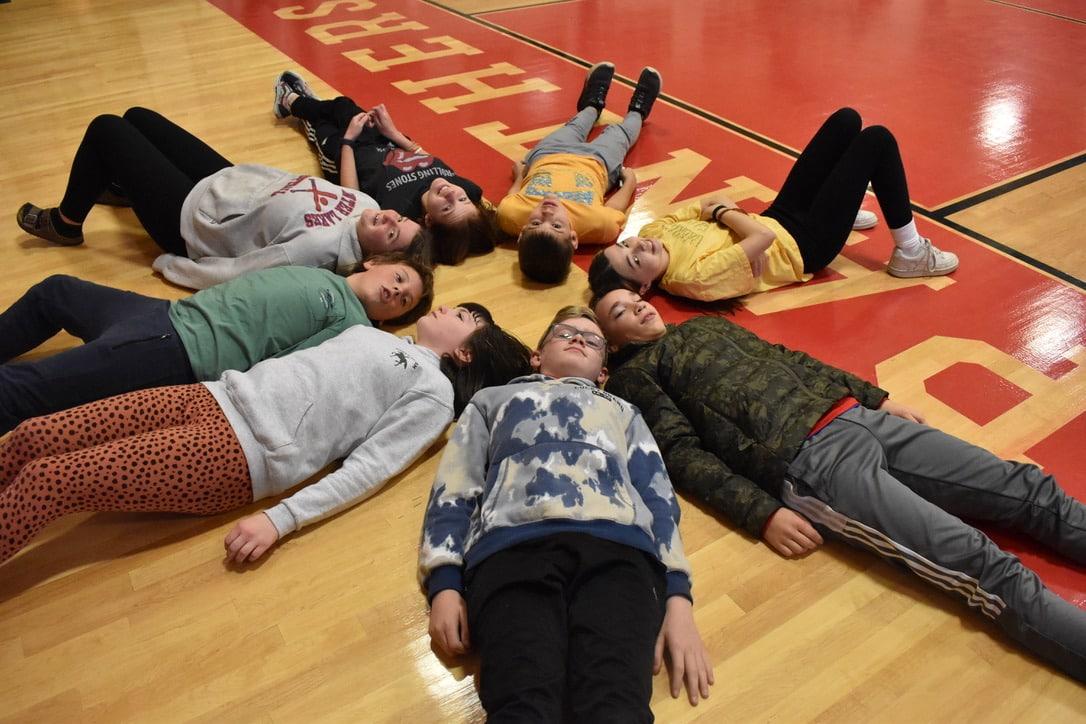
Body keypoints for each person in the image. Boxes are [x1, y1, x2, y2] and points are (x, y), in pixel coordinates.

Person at [592, 286, 1086, 682]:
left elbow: (795, 359)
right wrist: (761, 512)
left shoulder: (702, 325)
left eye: (634, 298)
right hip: (814, 464)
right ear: (613, 343)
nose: (636, 305)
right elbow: (683, 456)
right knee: (979, 564)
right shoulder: (636, 378)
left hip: (861, 419)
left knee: (1027, 488)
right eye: (619, 310)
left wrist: (873, 398)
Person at [0, 303, 533, 565]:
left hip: (234, 452)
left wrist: (281, 520)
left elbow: (369, 468)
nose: (448, 307)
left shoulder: (435, 394)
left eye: (463, 316)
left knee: (50, 479)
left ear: (465, 352)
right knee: (32, 436)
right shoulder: (376, 334)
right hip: (211, 395)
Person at [420, 306, 713, 721]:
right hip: (511, 552)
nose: (579, 339)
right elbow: (454, 484)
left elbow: (659, 498)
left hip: (620, 555)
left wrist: (678, 599)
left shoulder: (623, 412)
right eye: (565, 333)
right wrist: (444, 581)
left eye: (593, 341)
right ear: (537, 355)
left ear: (603, 373)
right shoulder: (492, 400)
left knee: (616, 705)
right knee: (522, 702)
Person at [0, 256, 432, 433]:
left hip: (177, 352)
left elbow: (286, 368)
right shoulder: (324, 272)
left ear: (389, 320)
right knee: (55, 292)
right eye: (399, 279)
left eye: (404, 301)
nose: (396, 293)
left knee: (22, 389)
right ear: (375, 262)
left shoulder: (353, 325)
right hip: (166, 314)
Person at [15, 107, 427, 290]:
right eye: (398, 219)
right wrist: (349, 144)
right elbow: (354, 194)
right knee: (139, 116)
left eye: (392, 234)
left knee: (107, 128)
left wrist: (173, 265)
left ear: (376, 260)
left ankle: (66, 223)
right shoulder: (368, 208)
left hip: (195, 224)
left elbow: (238, 274)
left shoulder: (316, 250)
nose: (389, 220)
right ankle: (125, 186)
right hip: (232, 185)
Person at [589, 108, 959, 304]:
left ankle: (841, 214)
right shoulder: (691, 279)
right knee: (876, 140)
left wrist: (729, 218)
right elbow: (753, 233)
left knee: (846, 120)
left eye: (626, 244)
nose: (639, 245)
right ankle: (910, 252)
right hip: (805, 245)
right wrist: (726, 215)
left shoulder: (653, 232)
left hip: (775, 218)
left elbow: (724, 214)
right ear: (645, 287)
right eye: (636, 260)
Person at [273, 71, 501, 266]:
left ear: (429, 221)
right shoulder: (468, 190)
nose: (452, 194)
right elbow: (430, 160)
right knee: (344, 105)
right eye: (462, 201)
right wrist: (393, 132)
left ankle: (290, 101)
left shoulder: (400, 210)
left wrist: (348, 143)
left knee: (322, 123)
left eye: (447, 208)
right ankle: (311, 104)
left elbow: (353, 199)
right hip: (386, 142)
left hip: (348, 156)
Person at [498, 62, 662, 284]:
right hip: (598, 163)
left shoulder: (510, 216)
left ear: (521, 232)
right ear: (573, 238)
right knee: (620, 133)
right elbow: (614, 209)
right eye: (557, 226)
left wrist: (520, 174)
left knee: (574, 126)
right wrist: (630, 182)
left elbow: (511, 197)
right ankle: (638, 110)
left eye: (536, 223)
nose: (547, 214)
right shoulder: (595, 226)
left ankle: (592, 104)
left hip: (549, 155)